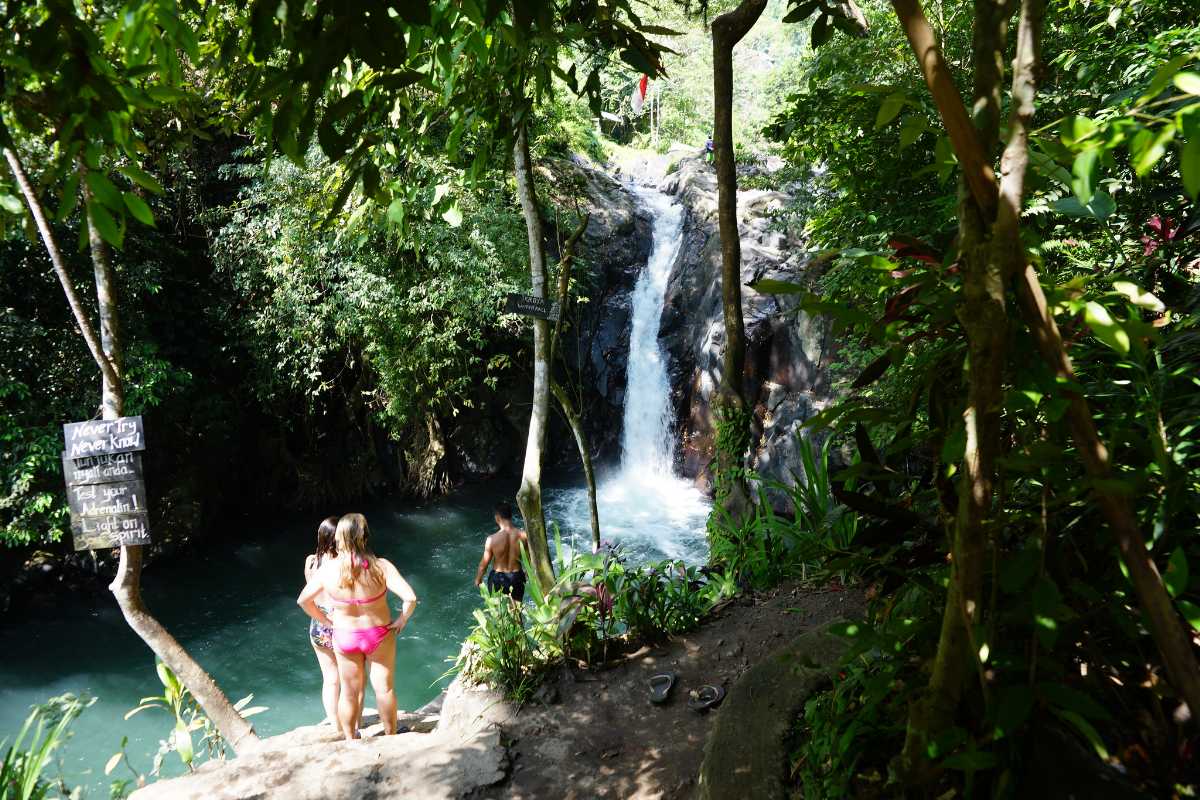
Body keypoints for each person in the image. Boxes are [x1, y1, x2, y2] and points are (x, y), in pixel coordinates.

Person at [297, 513, 417, 740]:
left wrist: (325, 622)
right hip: (379, 634)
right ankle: (391, 736)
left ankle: (351, 740)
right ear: (365, 536)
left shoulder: (328, 570)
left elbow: (303, 601)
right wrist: (401, 620)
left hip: (344, 636)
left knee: (349, 693)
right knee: (384, 689)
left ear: (340, 538)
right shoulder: (381, 567)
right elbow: (410, 598)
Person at [303, 517, 341, 726]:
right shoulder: (342, 563)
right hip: (339, 620)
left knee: (329, 678)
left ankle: (335, 723)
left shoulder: (311, 561)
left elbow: (309, 593)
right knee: (348, 677)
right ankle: (349, 723)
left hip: (318, 622)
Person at [473, 501, 528, 602]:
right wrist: (526, 572)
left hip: (497, 578)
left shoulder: (491, 539)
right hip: (517, 577)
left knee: (499, 612)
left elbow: (483, 565)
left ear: (497, 518)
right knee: (517, 609)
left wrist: (478, 579)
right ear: (511, 516)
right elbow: (530, 560)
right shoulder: (524, 536)